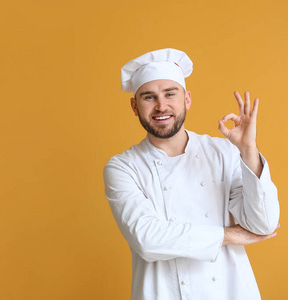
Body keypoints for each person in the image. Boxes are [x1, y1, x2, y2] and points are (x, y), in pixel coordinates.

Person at [103, 48, 280, 300]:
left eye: (170, 94)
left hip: (231, 291)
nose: (161, 106)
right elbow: (147, 240)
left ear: (187, 99)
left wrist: (248, 150)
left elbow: (263, 223)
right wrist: (230, 235)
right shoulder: (123, 167)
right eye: (149, 97)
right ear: (134, 105)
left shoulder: (223, 152)